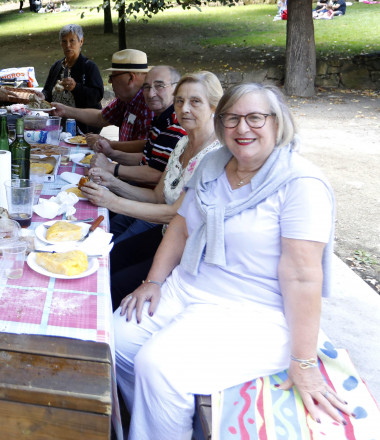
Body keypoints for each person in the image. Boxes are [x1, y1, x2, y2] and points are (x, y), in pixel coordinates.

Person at [113, 83, 347, 439]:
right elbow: (181, 226)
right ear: (220, 124)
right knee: (116, 339)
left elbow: (302, 276)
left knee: (158, 365)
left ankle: (161, 421)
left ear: (278, 122)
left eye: (255, 118)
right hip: (189, 286)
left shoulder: (301, 184)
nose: (242, 128)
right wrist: (154, 282)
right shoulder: (214, 162)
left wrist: (304, 362)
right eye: (232, 118)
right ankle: (157, 418)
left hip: (254, 310)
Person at [82, 72, 222, 308]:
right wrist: (111, 181)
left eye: (195, 101)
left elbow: (175, 214)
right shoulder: (183, 143)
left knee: (113, 284)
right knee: (105, 261)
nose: (185, 108)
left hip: (190, 251)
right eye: (180, 101)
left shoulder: (216, 155)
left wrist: (112, 201)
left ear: (214, 107)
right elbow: (158, 196)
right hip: (164, 234)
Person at [87, 66, 186, 188]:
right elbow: (147, 158)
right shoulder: (161, 117)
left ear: (176, 89)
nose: (150, 94)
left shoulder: (175, 123)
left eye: (159, 86)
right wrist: (111, 153)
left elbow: (155, 174)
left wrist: (111, 167)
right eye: (146, 87)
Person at [52, 49, 153, 143]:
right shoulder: (126, 98)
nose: (109, 81)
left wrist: (108, 144)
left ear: (131, 78)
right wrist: (65, 110)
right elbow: (101, 117)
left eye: (112, 76)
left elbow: (143, 148)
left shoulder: (150, 103)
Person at [41, 24, 104, 133]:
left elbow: (97, 96)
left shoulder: (88, 67)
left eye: (72, 41)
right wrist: (42, 96)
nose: (68, 45)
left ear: (81, 42)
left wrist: (76, 87)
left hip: (82, 128)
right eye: (64, 41)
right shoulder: (57, 66)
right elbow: (47, 91)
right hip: (58, 126)